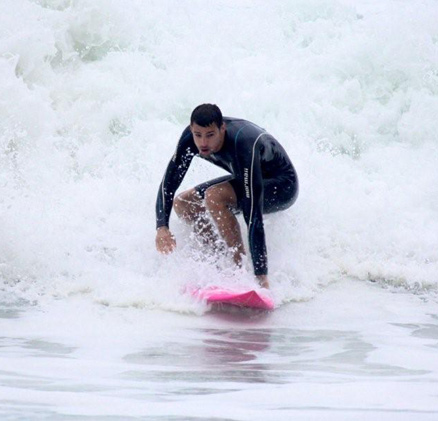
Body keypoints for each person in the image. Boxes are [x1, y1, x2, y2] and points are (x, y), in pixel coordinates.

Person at [155, 104, 298, 289]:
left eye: (210, 135)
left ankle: (239, 272)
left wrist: (261, 277)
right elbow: (168, 183)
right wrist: (162, 227)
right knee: (184, 202)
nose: (203, 143)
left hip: (282, 185)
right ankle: (219, 261)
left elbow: (253, 217)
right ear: (192, 129)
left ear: (222, 129)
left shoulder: (243, 142)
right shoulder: (190, 139)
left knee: (214, 196)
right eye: (198, 135)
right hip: (246, 178)